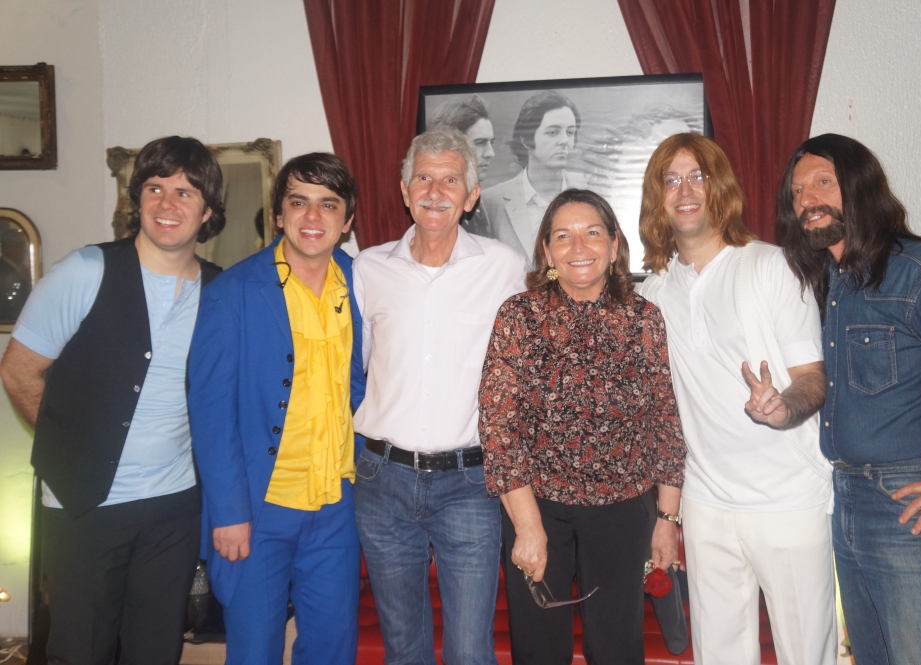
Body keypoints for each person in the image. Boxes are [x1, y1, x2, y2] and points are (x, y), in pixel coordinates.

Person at [775, 133, 921, 665]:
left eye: (823, 183)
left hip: (911, 504)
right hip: (846, 496)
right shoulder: (829, 283)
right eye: (797, 191)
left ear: (860, 186)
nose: (807, 200)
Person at [0, 136, 225, 664]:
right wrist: (72, 449)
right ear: (137, 199)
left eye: (185, 192)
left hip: (174, 508)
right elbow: (19, 371)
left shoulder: (219, 291)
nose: (167, 204)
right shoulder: (85, 271)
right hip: (85, 504)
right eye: (155, 188)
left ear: (207, 211)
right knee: (81, 651)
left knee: (155, 650)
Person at [637, 132, 836, 665]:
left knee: (807, 655)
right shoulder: (653, 292)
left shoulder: (772, 266)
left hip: (789, 500)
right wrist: (668, 517)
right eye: (671, 180)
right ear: (657, 197)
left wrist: (783, 407)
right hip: (706, 504)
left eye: (697, 177)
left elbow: (813, 377)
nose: (684, 191)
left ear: (720, 187)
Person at [480, 188, 685, 664]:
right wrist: (528, 526)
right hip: (537, 509)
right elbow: (498, 426)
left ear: (614, 245)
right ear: (547, 251)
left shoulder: (644, 319)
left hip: (623, 513)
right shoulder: (519, 316)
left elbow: (664, 421)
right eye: (563, 236)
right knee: (539, 652)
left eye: (592, 233)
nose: (578, 247)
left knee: (617, 650)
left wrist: (667, 520)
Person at [352, 127, 527, 665]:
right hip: (382, 480)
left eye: (450, 180)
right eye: (423, 178)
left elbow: (524, 370)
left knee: (471, 652)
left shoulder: (504, 267)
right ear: (404, 191)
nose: (435, 191)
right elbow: (357, 368)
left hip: (469, 483)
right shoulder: (368, 268)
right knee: (403, 649)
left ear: (471, 196)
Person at [187, 152, 365, 664]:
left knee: (332, 649)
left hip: (337, 505)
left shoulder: (365, 284)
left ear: (347, 221)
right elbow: (212, 414)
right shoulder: (233, 292)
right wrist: (228, 513)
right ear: (278, 215)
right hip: (259, 509)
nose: (313, 217)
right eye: (299, 202)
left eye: (328, 204)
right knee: (254, 651)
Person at [480, 90, 588, 260]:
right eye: (552, 132)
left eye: (570, 132)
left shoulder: (591, 191)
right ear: (526, 139)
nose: (564, 141)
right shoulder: (490, 201)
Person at [428, 93, 496, 239]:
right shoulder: (435, 205)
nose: (491, 153)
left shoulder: (477, 201)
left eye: (491, 142)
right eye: (480, 143)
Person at [0, 226, 32, 321]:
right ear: (5, 248)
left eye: (23, 244)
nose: (23, 249)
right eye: (18, 245)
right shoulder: (2, 270)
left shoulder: (24, 269)